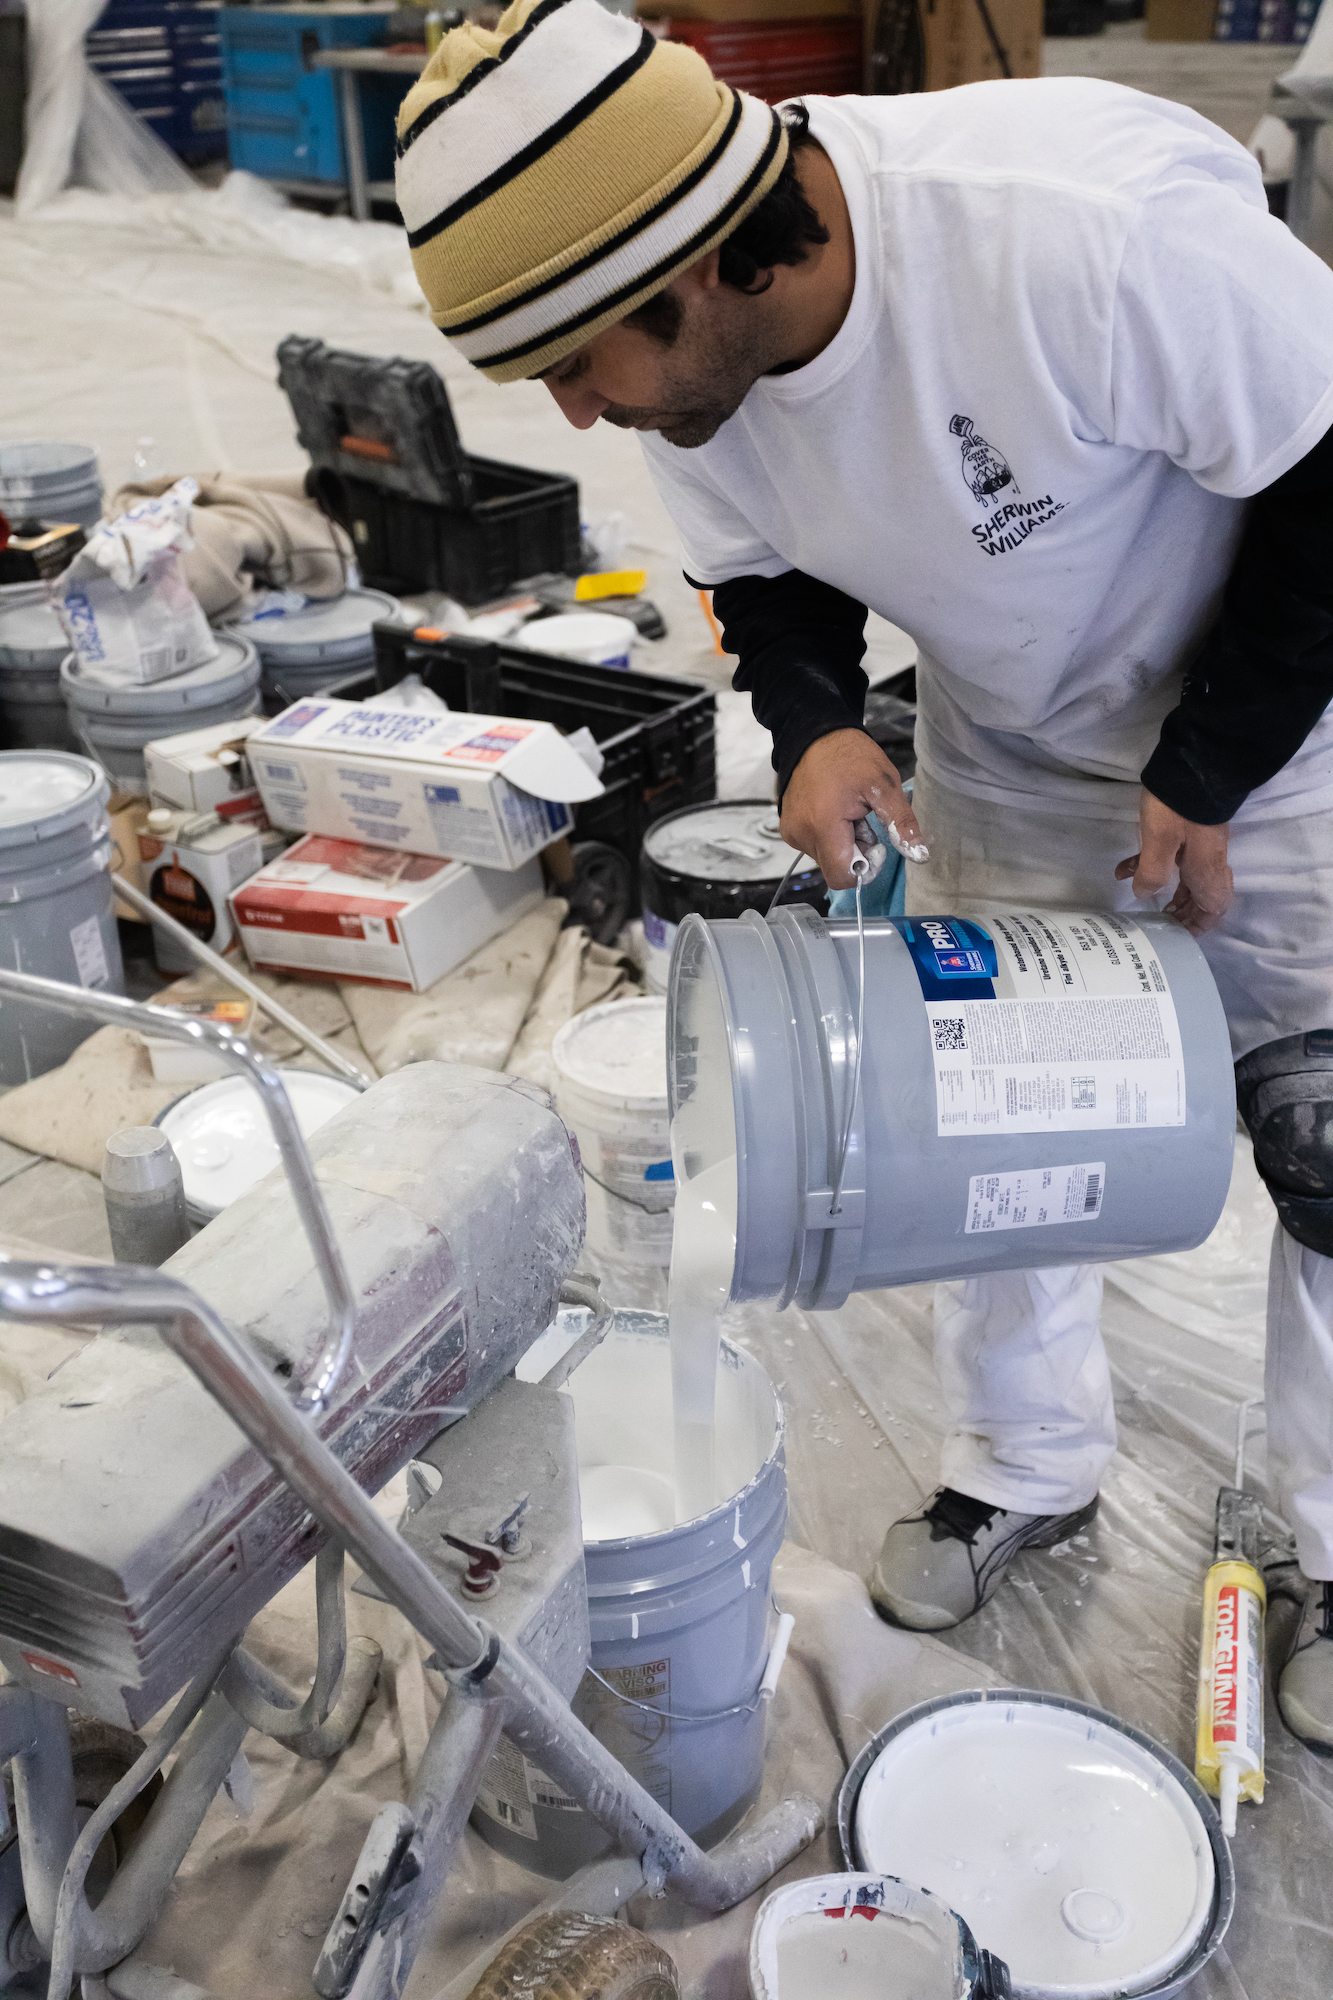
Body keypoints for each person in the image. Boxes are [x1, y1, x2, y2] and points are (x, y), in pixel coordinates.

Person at [394, 0, 1333, 1743]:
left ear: (699, 262)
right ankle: (1024, 1464)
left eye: (577, 365)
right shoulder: (694, 366)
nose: (580, 415)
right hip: (1017, 741)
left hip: (1284, 746)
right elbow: (764, 573)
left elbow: (1328, 480)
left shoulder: (1077, 235)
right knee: (1000, 1108)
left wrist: (1209, 768)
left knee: (1319, 1135)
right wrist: (819, 723)